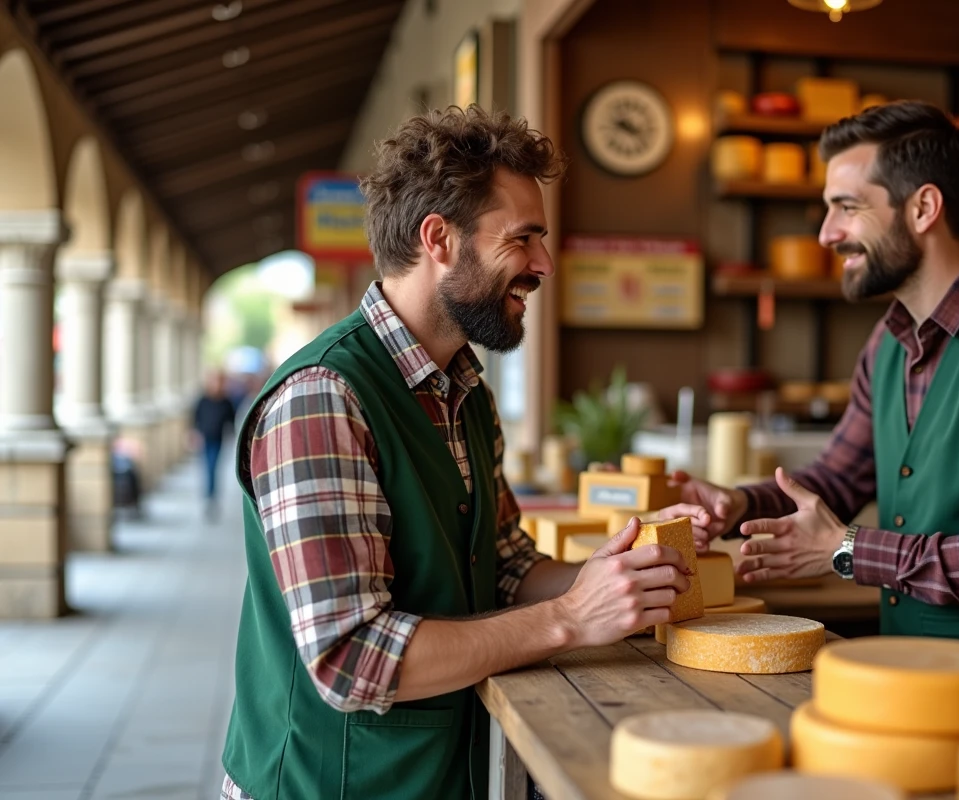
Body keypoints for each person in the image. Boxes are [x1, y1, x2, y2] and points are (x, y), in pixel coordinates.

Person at [219, 106, 691, 800]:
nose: (543, 265)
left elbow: (503, 567)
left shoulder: (465, 389)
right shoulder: (323, 397)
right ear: (438, 238)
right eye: (522, 239)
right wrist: (570, 618)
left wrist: (617, 574)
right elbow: (351, 659)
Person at [663, 101, 959, 708]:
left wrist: (848, 549)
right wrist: (738, 502)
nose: (826, 234)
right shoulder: (889, 341)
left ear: (924, 208)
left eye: (847, 207)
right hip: (920, 687)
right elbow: (838, 480)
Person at [193, 370, 238, 518]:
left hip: (218, 439)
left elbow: (232, 420)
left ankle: (211, 496)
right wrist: (194, 433)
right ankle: (210, 495)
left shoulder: (226, 401)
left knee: (213, 466)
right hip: (205, 438)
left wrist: (232, 436)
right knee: (208, 467)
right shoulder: (203, 400)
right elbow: (195, 418)